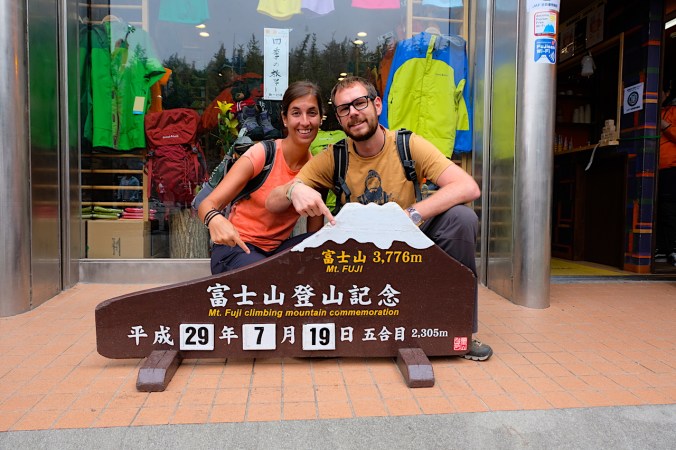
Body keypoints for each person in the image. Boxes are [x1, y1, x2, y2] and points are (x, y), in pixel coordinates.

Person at [266, 76, 492, 361]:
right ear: (339, 118)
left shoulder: (407, 145)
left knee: (461, 219)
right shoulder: (335, 157)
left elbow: (467, 187)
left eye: (360, 103)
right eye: (344, 109)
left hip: (410, 250)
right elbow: (272, 202)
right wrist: (293, 189)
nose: (353, 113)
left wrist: (411, 214)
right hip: (360, 262)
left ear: (377, 105)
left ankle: (458, 328)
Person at [198, 81, 325, 274]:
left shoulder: (315, 171)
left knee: (322, 251)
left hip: (274, 252)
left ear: (321, 118)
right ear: (284, 119)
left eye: (312, 113)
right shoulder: (263, 154)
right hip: (237, 247)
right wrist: (214, 219)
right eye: (296, 113)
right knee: (267, 275)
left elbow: (314, 238)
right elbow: (207, 204)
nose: (305, 121)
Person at [658, 87, 676, 266]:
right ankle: (662, 249)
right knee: (657, 209)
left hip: (671, 167)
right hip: (652, 167)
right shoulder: (647, 112)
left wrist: (666, 125)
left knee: (668, 208)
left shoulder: (674, 112)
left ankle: (670, 249)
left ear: (667, 93)